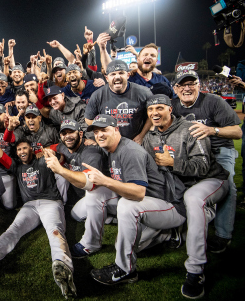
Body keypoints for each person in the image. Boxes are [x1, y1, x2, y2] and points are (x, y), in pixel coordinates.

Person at [47, 114, 186, 285]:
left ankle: (127, 269)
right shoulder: (109, 148)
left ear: (116, 129)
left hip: (168, 205)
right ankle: (91, 243)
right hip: (146, 204)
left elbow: (138, 193)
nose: (99, 135)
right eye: (96, 132)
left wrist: (105, 180)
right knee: (96, 193)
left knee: (128, 211)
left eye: (104, 130)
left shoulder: (130, 151)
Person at [0, 134, 77, 300]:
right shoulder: (16, 167)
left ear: (31, 149)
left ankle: (63, 267)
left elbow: (61, 157)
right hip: (29, 206)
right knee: (12, 230)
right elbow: (2, 156)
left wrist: (45, 151)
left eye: (25, 148)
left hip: (50, 202)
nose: (22, 151)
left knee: (55, 231)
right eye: (19, 149)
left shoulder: (43, 160)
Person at [142, 94, 230, 299]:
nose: (155, 113)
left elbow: (202, 166)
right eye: (151, 110)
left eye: (160, 108)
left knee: (193, 198)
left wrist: (173, 162)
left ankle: (195, 270)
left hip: (210, 180)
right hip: (180, 186)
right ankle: (175, 232)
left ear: (170, 109)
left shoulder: (191, 128)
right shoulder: (150, 137)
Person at [171, 70, 242, 254]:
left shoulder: (213, 101)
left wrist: (212, 130)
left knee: (228, 185)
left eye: (191, 84)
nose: (187, 88)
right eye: (182, 85)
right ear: (175, 88)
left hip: (219, 151)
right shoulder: (173, 106)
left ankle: (223, 234)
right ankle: (177, 227)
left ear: (198, 85)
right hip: (190, 153)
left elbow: (237, 132)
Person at [85, 59, 153, 144]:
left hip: (135, 142)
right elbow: (88, 119)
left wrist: (142, 135)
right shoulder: (97, 95)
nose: (117, 77)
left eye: (121, 73)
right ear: (107, 78)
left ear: (128, 75)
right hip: (110, 143)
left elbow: (152, 116)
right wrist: (104, 132)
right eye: (113, 74)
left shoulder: (144, 93)